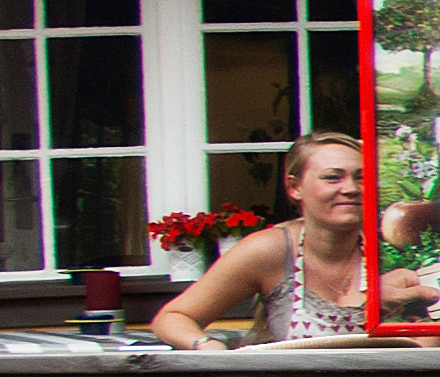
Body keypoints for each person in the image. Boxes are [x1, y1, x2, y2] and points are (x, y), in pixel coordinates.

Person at [150, 130, 375, 344]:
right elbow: (173, 317)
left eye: (361, 177)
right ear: (295, 187)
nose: (351, 188)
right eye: (333, 178)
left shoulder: (393, 251)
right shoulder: (270, 250)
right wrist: (206, 346)